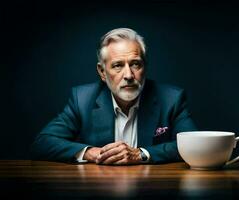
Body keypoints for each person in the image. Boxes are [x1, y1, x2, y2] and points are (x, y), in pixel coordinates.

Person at [31, 28, 198, 165]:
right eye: (118, 65)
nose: (129, 75)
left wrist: (141, 154)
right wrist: (91, 153)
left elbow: (194, 146)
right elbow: (43, 143)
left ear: (145, 67)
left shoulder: (171, 99)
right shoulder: (82, 99)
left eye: (135, 64)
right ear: (102, 72)